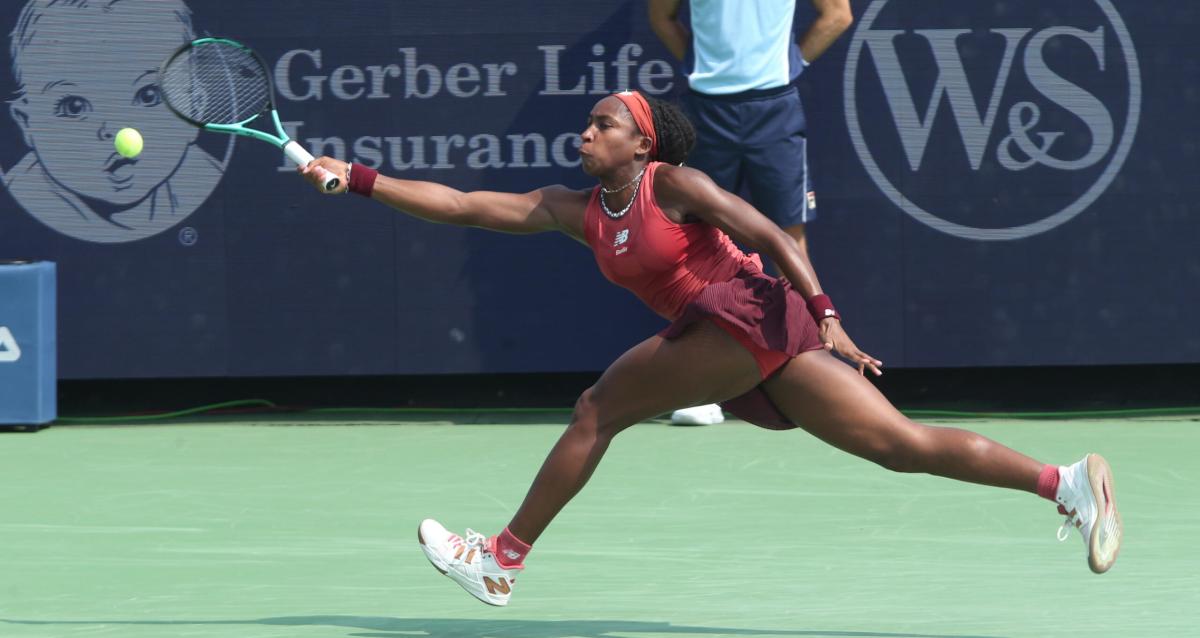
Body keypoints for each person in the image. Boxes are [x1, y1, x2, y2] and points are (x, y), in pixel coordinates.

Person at [298, 90, 1122, 606]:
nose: (586, 133)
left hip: (747, 314)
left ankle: (502, 560)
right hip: (742, 338)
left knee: (598, 408)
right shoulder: (572, 208)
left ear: (642, 145)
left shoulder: (674, 186)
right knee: (899, 447)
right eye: (588, 122)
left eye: (604, 124)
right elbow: (463, 203)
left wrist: (825, 309)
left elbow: (765, 229)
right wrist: (359, 178)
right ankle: (1067, 484)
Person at [648, 0, 854, 426]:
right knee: (694, 239)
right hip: (706, 109)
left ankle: (811, 376)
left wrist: (790, 62)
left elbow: (837, 14)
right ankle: (697, 386)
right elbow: (661, 17)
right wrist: (701, 63)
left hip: (774, 108)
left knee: (787, 235)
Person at [4, 0, 225, 243]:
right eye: (74, 107)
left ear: (194, 108)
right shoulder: (18, 200)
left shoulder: (208, 184)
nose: (117, 130)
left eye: (148, 96)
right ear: (27, 123)